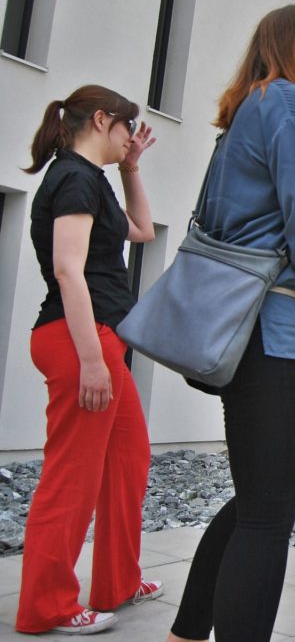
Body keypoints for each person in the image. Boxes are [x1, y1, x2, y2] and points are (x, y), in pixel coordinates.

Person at [168, 3, 295, 642]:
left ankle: (184, 635)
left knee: (255, 504)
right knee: (267, 518)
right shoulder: (293, 104)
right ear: (282, 42)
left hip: (240, 331)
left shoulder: (249, 112)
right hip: (275, 337)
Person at [17, 85, 162, 635]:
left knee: (129, 457)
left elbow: (142, 230)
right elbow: (67, 269)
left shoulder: (92, 179)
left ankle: (118, 581)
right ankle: (46, 607)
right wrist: (93, 360)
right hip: (81, 341)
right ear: (102, 120)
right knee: (71, 476)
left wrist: (131, 169)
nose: (130, 137)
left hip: (98, 340)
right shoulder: (74, 178)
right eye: (127, 127)